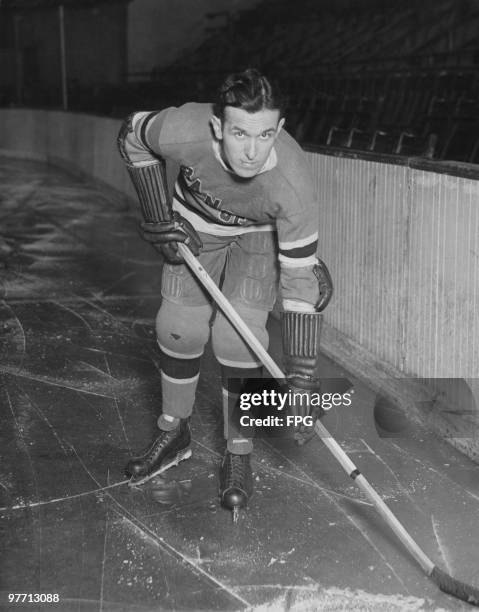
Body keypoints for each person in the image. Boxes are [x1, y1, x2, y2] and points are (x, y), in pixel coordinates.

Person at [117, 68, 333, 512]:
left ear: (281, 129)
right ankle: (174, 431)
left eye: (265, 135)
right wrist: (160, 214)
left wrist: (302, 381)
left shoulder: (293, 184)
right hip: (194, 225)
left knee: (240, 339)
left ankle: (239, 453)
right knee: (178, 327)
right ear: (218, 127)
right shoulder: (185, 128)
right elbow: (132, 135)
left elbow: (298, 288)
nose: (252, 152)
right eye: (239, 134)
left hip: (259, 236)